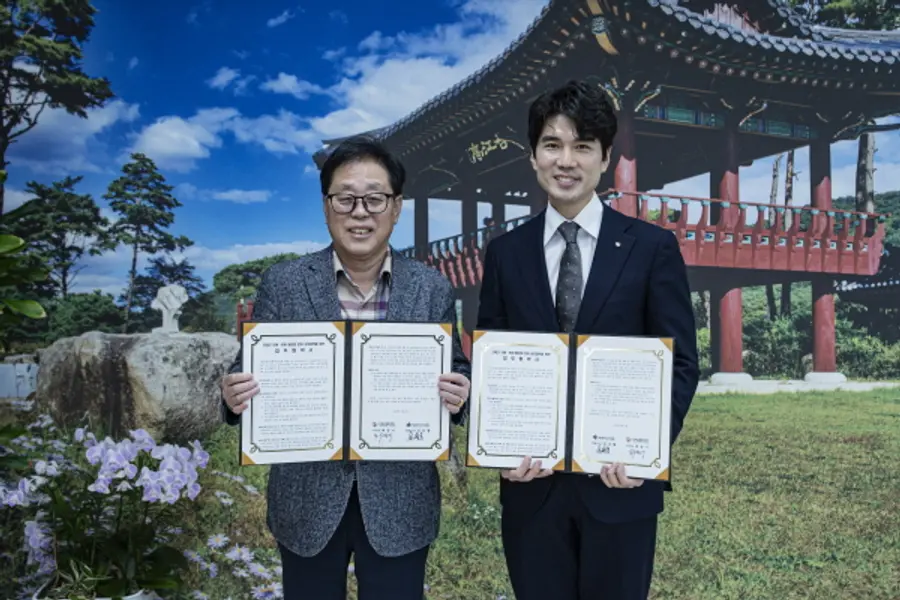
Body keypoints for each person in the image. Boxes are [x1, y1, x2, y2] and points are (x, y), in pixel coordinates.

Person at [220, 136, 472, 600]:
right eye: (345, 198)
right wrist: (233, 395)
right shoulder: (285, 283)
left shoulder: (431, 288)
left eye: (375, 199)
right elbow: (249, 366)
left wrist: (460, 392)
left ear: (396, 208)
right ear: (325, 206)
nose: (360, 212)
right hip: (307, 497)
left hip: (400, 498)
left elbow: (457, 367)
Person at [476, 80, 700, 600]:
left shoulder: (651, 248)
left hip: (621, 487)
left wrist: (647, 450)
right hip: (531, 486)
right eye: (552, 144)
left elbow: (681, 363)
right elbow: (493, 360)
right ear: (533, 156)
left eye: (582, 146)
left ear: (605, 158)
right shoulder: (506, 253)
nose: (566, 161)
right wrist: (501, 448)